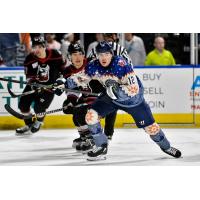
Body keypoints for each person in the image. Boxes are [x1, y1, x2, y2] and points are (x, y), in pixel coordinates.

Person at [55, 41, 181, 161]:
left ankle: (166, 147)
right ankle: (101, 145)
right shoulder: (95, 65)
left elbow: (134, 89)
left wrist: (116, 92)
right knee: (90, 117)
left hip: (133, 101)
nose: (103, 57)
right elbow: (81, 78)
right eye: (100, 55)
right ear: (97, 56)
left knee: (151, 129)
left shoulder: (121, 65)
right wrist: (65, 84)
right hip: (111, 98)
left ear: (112, 54)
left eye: (106, 54)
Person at [16, 35, 66, 136]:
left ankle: (39, 121)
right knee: (23, 104)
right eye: (35, 47)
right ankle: (29, 124)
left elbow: (64, 71)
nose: (37, 50)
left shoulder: (56, 55)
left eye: (40, 47)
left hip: (49, 88)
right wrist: (33, 83)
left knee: (39, 107)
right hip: (34, 86)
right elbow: (28, 76)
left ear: (44, 46)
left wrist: (61, 81)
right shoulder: (30, 58)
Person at [87, 33, 132, 140]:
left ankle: (96, 132)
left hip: (98, 82)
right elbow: (129, 66)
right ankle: (108, 133)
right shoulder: (120, 49)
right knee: (112, 105)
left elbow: (87, 67)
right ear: (115, 37)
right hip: (110, 82)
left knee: (96, 106)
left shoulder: (96, 49)